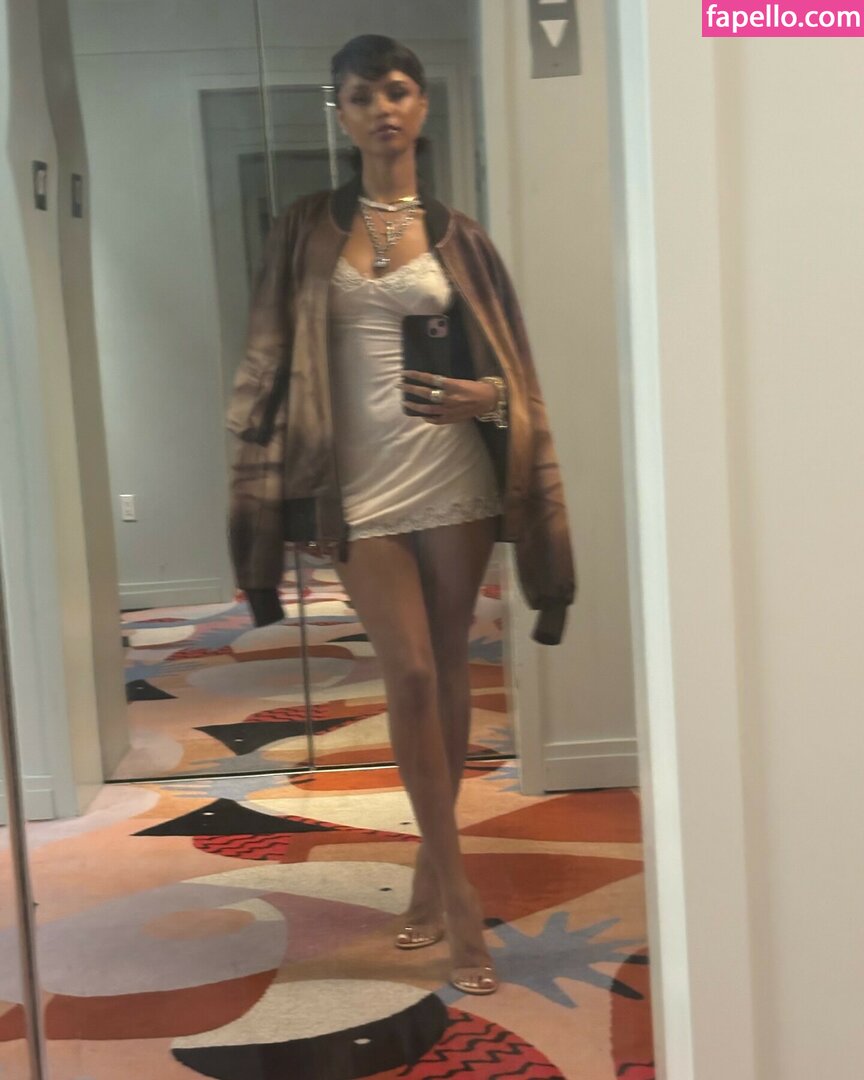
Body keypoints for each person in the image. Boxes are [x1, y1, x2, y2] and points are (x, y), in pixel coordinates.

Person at [226, 34, 576, 996]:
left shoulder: (463, 237)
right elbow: (265, 364)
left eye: (397, 90)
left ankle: (429, 874)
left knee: (450, 671)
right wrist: (271, 489)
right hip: (355, 486)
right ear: (340, 115)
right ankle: (459, 891)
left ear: (420, 107)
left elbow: (515, 373)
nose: (382, 108)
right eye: (362, 95)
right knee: (411, 672)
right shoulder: (305, 228)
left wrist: (486, 398)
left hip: (452, 476)